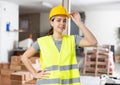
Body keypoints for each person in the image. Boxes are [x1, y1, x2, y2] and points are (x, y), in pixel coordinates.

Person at [21, 4, 97, 85]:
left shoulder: (72, 40)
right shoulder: (42, 42)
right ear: (51, 22)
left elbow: (93, 42)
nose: (62, 23)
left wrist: (79, 22)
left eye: (64, 20)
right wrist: (35, 74)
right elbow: (24, 57)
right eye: (58, 20)